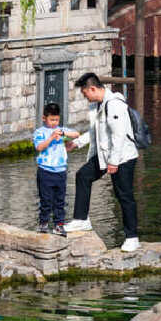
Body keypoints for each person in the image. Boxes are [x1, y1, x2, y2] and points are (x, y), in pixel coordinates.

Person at [64, 73, 140, 252]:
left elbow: (119, 135)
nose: (85, 97)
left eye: (84, 94)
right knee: (83, 175)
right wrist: (77, 143)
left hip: (122, 157)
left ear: (92, 89)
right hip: (104, 155)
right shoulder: (98, 105)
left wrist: (114, 162)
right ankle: (81, 220)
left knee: (124, 195)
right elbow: (94, 132)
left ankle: (132, 237)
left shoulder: (114, 105)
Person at [33, 102, 80, 237]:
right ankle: (43, 223)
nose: (54, 122)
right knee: (45, 200)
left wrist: (63, 133)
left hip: (60, 171)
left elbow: (76, 134)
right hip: (45, 171)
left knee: (60, 200)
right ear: (44, 118)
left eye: (56, 119)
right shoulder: (40, 132)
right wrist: (51, 137)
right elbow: (39, 147)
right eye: (51, 119)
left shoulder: (61, 130)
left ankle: (59, 225)